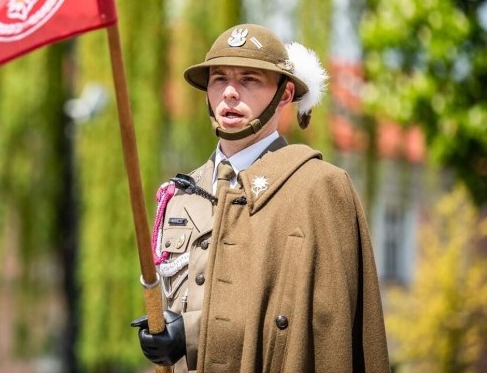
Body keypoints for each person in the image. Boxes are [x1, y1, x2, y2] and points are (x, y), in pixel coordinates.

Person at [131, 24, 389, 372]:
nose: (230, 93)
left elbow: (325, 331)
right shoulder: (181, 195)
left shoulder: (317, 188)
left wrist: (191, 335)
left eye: (249, 79)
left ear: (284, 95)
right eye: (219, 79)